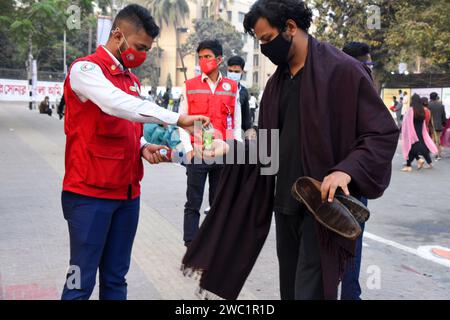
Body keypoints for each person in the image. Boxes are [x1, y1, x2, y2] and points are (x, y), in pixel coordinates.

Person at [182, 0, 399, 300]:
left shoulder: (343, 70)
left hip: (321, 208)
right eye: (260, 43)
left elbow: (382, 132)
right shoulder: (276, 84)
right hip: (285, 208)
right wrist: (230, 149)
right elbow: (270, 150)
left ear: (291, 28)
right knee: (290, 291)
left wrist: (346, 170)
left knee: (310, 292)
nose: (265, 49)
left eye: (268, 40)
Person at [61, 4, 208, 300]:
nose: (142, 55)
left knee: (117, 278)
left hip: (127, 196)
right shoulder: (85, 70)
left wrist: (142, 146)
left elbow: (126, 122)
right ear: (118, 35)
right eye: (139, 47)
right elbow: (115, 104)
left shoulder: (131, 80)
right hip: (90, 196)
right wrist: (177, 118)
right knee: (80, 280)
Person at [178, 40, 242, 247]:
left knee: (219, 203)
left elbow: (237, 121)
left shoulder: (232, 88)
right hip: (197, 153)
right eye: (201, 57)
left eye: (208, 56)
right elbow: (181, 120)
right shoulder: (190, 86)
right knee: (193, 203)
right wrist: (187, 149)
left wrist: (234, 149)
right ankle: (191, 244)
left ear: (219, 59)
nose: (203, 60)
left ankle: (214, 244)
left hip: (222, 154)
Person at [341, 41, 374, 300]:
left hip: (330, 175)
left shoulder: (329, 83)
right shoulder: (362, 85)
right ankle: (350, 294)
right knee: (352, 239)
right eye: (367, 63)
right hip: (352, 177)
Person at [401, 94, 438, 172]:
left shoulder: (411, 110)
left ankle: (413, 163)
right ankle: (417, 162)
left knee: (410, 148)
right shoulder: (422, 110)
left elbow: (406, 122)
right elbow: (423, 123)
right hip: (420, 132)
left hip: (412, 132)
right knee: (418, 148)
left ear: (412, 101)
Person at [227, 55, 252, 132]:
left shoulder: (243, 91)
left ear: (242, 72)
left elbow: (246, 118)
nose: (233, 74)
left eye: (236, 72)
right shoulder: (218, 87)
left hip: (235, 133)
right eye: (230, 71)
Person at [428, 92, 447, 160]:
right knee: (438, 139)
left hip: (430, 124)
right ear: (436, 97)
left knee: (432, 137)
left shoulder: (428, 104)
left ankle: (432, 151)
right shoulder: (441, 105)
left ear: (430, 97)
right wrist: (444, 123)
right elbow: (443, 116)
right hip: (439, 124)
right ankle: (438, 153)